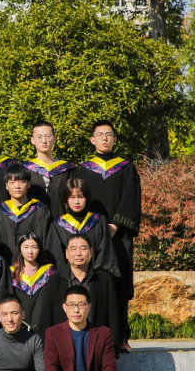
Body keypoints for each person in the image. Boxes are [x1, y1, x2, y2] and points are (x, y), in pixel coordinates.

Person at [75, 120, 141, 350]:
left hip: (119, 237)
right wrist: (91, 228)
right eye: (100, 134)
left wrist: (115, 225)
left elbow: (131, 199)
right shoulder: (83, 169)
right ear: (92, 140)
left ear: (114, 139)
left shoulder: (126, 168)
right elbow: (77, 199)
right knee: (91, 282)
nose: (104, 138)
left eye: (109, 134)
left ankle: (120, 336)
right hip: (89, 236)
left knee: (118, 283)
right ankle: (88, 332)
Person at [50, 235, 125, 351]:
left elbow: (113, 317)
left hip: (97, 346)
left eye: (83, 248)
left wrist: (112, 348)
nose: (78, 253)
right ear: (67, 253)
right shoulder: (55, 282)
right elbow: (46, 319)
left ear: (91, 252)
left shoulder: (104, 280)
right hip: (63, 348)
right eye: (73, 249)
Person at [48, 178, 117, 274]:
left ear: (87, 198)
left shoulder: (98, 221)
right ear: (66, 199)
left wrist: (98, 276)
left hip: (95, 277)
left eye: (81, 197)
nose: (77, 201)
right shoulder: (58, 225)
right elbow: (57, 257)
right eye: (72, 197)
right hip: (67, 279)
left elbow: (105, 252)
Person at [0, 166, 52, 263]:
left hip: (33, 267)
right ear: (6, 186)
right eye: (12, 182)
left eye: (22, 182)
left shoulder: (40, 211)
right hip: (5, 267)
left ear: (28, 184)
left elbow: (44, 242)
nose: (17, 186)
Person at [23, 120, 76, 219]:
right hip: (33, 222)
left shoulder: (67, 169)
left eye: (48, 136)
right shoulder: (25, 169)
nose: (44, 141)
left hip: (62, 222)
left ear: (54, 139)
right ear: (32, 140)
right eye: (39, 137)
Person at [10, 233, 58, 338]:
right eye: (26, 247)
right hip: (19, 326)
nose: (30, 251)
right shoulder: (11, 274)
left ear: (39, 249)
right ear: (20, 249)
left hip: (43, 326)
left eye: (34, 247)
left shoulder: (49, 272)